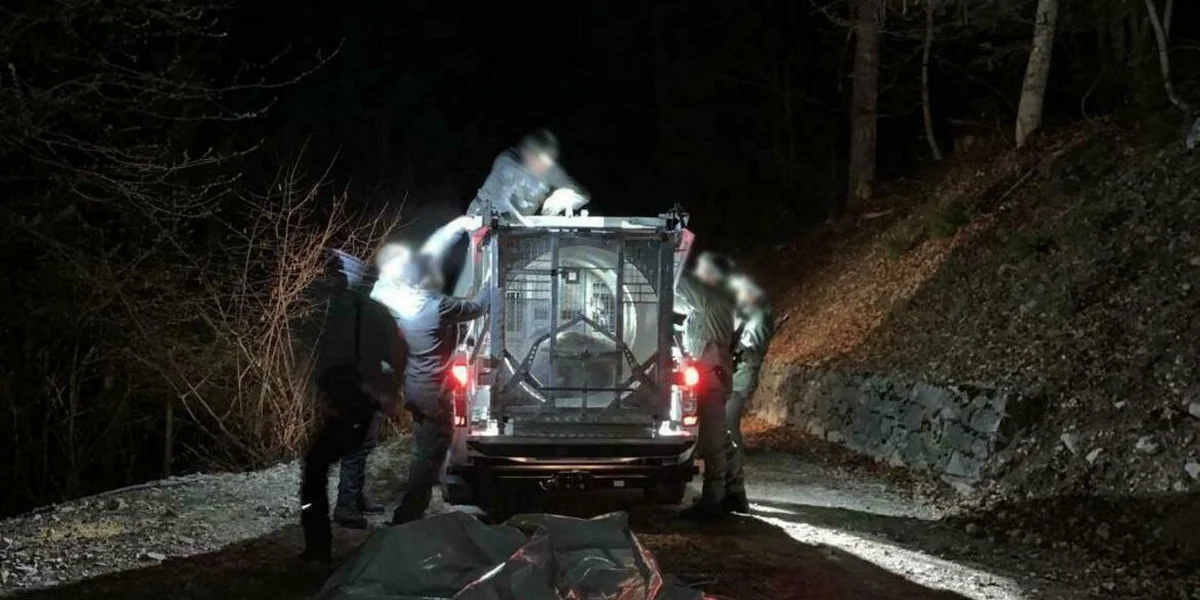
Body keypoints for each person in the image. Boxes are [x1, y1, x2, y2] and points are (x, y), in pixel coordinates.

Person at [301, 250, 407, 563]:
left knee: (320, 465)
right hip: (362, 396)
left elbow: (322, 353)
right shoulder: (373, 311)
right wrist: (389, 390)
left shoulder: (336, 310)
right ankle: (350, 504)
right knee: (356, 448)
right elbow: (397, 353)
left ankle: (328, 530)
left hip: (352, 396)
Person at [371, 248, 490, 525]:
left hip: (416, 387)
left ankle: (414, 508)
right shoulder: (437, 305)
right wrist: (491, 279)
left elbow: (380, 290)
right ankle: (408, 514)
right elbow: (477, 308)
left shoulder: (405, 303)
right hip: (434, 393)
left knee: (425, 450)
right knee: (428, 453)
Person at [673, 252, 736, 521]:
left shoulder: (710, 297)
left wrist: (670, 264)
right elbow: (681, 303)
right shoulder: (711, 300)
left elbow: (678, 285)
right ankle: (732, 493)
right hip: (713, 374)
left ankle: (714, 501)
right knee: (718, 438)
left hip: (712, 377)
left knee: (712, 440)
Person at [723, 272, 774, 513]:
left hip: (739, 379)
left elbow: (750, 351)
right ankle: (728, 485)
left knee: (728, 428)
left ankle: (734, 487)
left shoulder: (758, 316)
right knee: (725, 428)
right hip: (734, 377)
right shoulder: (747, 314)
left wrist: (733, 347)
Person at [465, 129, 590, 223]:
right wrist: (529, 226)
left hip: (520, 225)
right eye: (537, 161)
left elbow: (582, 194)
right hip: (482, 219)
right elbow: (503, 207)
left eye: (546, 164)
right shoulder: (506, 165)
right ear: (527, 153)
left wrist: (566, 195)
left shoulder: (548, 167)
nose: (542, 169)